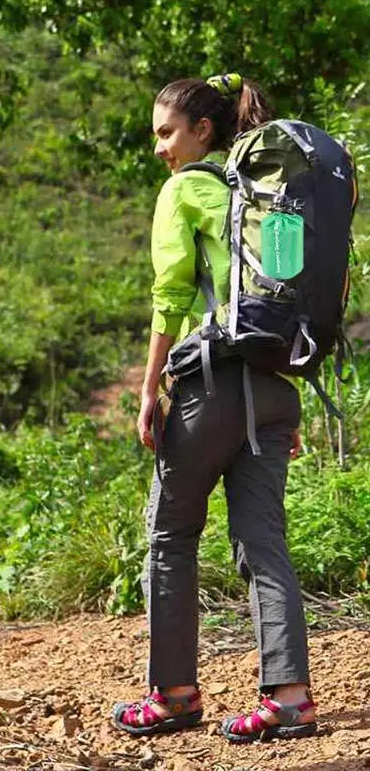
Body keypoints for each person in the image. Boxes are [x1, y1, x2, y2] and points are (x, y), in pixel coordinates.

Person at [111, 74, 317, 743]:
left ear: (203, 131)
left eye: (166, 132)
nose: (159, 149)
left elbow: (170, 295)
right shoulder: (265, 197)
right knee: (264, 544)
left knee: (171, 536)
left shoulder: (185, 190)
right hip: (276, 388)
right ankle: (289, 700)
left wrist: (149, 387)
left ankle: (173, 694)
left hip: (212, 386)